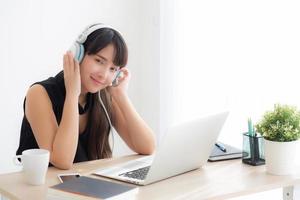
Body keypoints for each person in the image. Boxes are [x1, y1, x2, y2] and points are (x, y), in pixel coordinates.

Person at [16, 23, 155, 169]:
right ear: (78, 54)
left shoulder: (103, 96)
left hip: (91, 186)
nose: (104, 75)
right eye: (99, 61)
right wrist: (72, 94)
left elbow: (147, 147)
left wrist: (121, 96)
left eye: (113, 69)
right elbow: (62, 161)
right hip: (45, 188)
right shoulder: (39, 93)